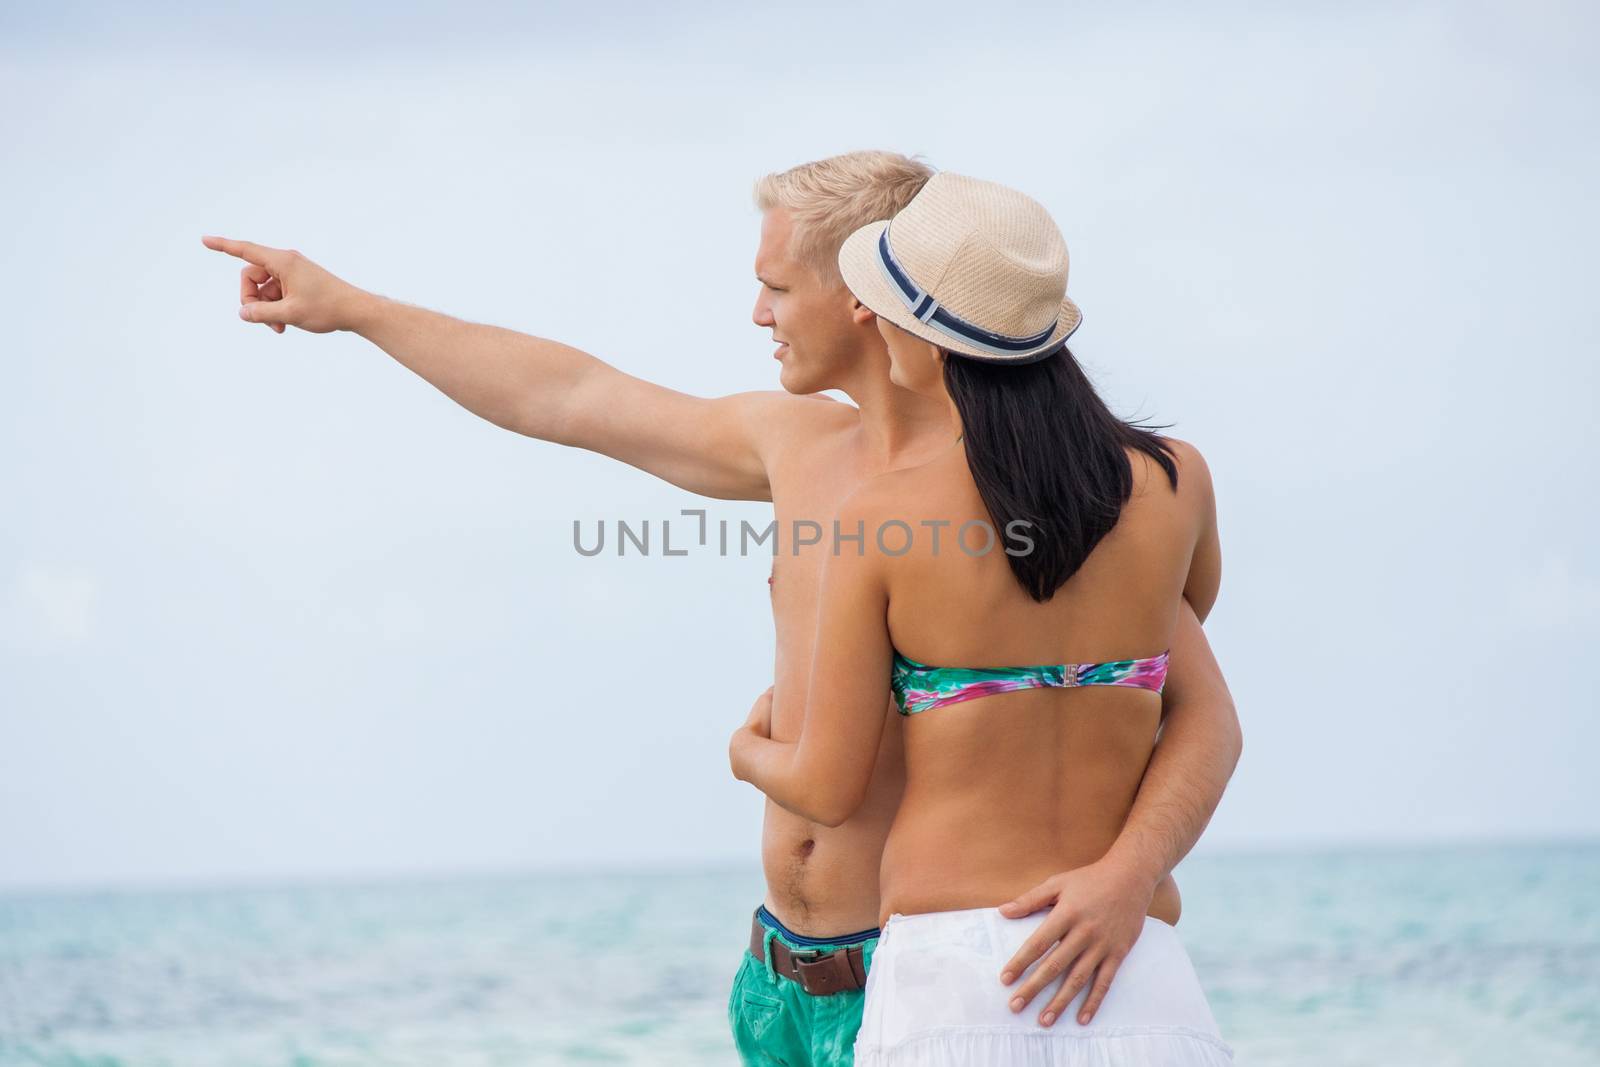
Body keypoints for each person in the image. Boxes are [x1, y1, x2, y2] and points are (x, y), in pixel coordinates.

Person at [200, 152, 1240, 1067]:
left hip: (939, 962)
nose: (757, 313)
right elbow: (565, 395)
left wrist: (1130, 871)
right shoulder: (798, 447)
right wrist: (355, 307)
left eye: (775, 285)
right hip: (783, 975)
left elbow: (1176, 698)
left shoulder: (1051, 493)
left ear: (862, 294)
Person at [727, 172, 1236, 1065]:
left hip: (951, 979)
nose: (873, 322)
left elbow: (828, 783)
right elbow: (1199, 705)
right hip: (1130, 962)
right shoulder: (1174, 480)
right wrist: (1127, 875)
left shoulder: (879, 519)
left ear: (923, 339)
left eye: (881, 306)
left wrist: (746, 747)